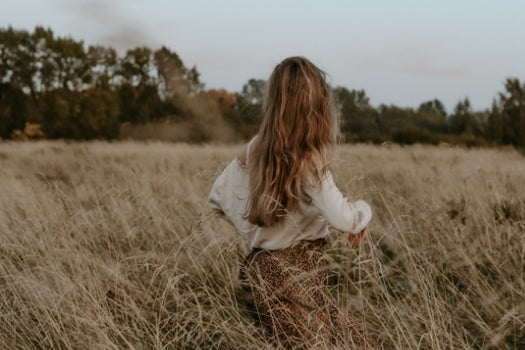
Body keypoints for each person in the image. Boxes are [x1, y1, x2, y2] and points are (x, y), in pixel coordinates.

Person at [208, 56, 376, 349]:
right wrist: (365, 211)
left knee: (347, 340)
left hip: (259, 271)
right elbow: (344, 219)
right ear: (317, 107)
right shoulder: (308, 158)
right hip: (295, 275)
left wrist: (255, 232)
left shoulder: (252, 149)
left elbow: (216, 200)